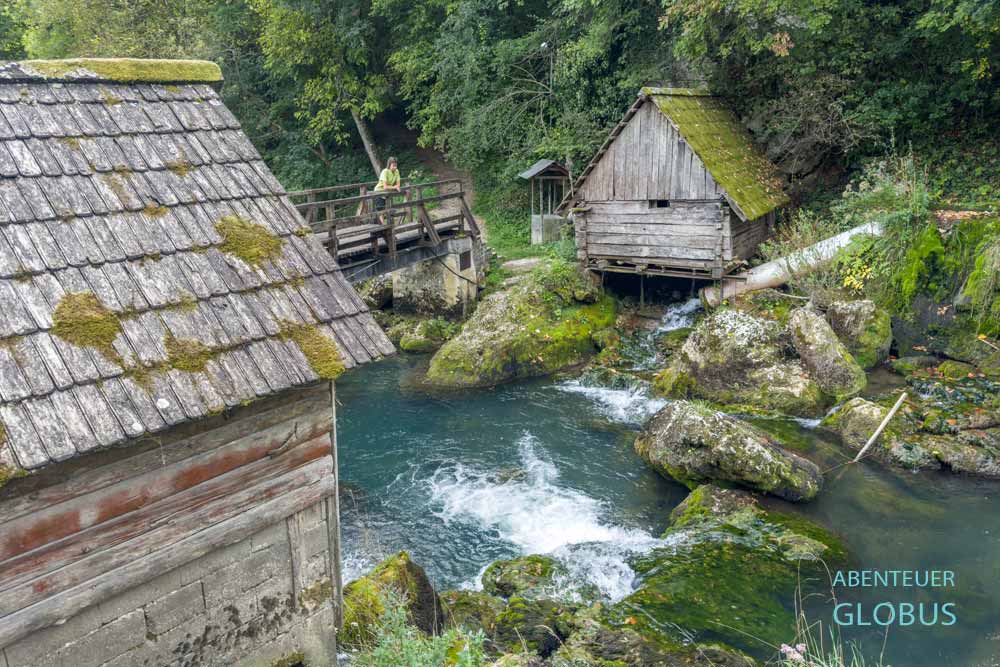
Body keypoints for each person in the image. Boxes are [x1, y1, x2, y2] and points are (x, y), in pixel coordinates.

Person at [373, 157, 401, 224]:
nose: (395, 167)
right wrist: (394, 187)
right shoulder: (384, 171)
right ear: (389, 165)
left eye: (396, 165)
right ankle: (383, 226)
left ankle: (387, 225)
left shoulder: (397, 171)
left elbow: (398, 185)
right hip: (379, 191)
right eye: (393, 165)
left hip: (387, 193)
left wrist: (395, 187)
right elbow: (385, 187)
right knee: (381, 210)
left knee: (388, 209)